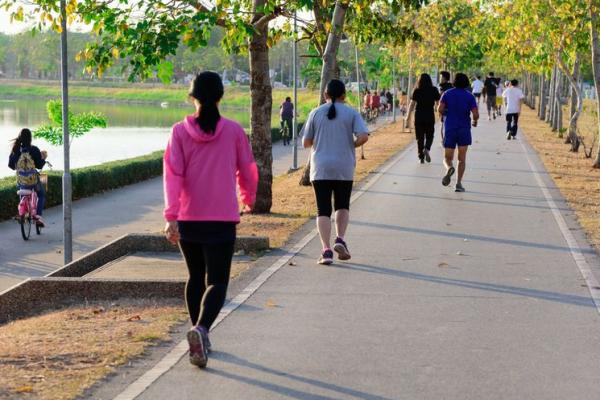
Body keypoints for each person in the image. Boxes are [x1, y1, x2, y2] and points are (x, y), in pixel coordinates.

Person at [163, 71, 259, 368]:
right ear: (220, 97)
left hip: (189, 219)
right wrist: (248, 198)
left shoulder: (179, 131)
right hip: (221, 219)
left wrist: (171, 215)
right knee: (217, 281)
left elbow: (172, 175)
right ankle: (201, 331)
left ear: (192, 97)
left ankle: (198, 333)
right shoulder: (233, 131)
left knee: (195, 277)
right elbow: (248, 169)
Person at [302, 79, 369, 265]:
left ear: (325, 95)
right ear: (344, 95)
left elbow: (305, 143)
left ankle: (326, 250)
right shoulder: (351, 113)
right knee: (342, 205)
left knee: (322, 209)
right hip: (344, 166)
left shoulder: (315, 113)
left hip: (321, 167)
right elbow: (364, 136)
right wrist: (352, 145)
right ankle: (340, 239)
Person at [438, 73, 479, 192]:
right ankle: (458, 183)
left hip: (450, 127)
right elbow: (475, 114)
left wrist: (444, 114)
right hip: (464, 129)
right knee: (462, 159)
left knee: (447, 158)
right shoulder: (470, 96)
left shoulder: (447, 93)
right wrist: (474, 121)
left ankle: (449, 168)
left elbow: (439, 109)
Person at [8, 128, 48, 227]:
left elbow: (11, 166)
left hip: (21, 181)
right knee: (41, 194)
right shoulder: (34, 149)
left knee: (22, 187)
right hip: (33, 181)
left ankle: (22, 212)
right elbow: (39, 165)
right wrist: (43, 159)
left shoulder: (15, 150)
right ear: (30, 138)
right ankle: (38, 216)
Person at [406, 73, 441, 164]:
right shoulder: (434, 90)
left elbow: (412, 104)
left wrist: (408, 117)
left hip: (419, 116)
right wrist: (440, 113)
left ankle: (421, 157)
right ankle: (427, 148)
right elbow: (438, 104)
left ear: (419, 81)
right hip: (429, 115)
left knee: (420, 137)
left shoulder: (417, 90)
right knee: (430, 135)